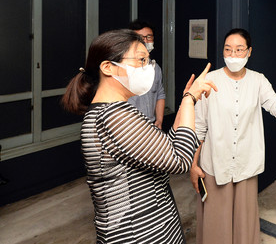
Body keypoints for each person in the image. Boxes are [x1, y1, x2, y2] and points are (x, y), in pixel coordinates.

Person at [61, 29, 216, 244]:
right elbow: (179, 160)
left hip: (151, 227)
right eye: (141, 60)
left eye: (148, 61)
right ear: (107, 67)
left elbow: (166, 149)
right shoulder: (113, 117)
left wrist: (184, 104)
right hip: (138, 233)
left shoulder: (114, 112)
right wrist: (190, 99)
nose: (147, 68)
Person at [191, 28, 276, 244]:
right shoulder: (209, 80)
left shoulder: (258, 80)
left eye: (239, 49)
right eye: (228, 49)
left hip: (246, 163)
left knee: (244, 221)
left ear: (249, 51)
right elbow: (199, 127)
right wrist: (193, 165)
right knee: (216, 222)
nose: (233, 55)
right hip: (215, 163)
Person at [127, 20, 166, 129]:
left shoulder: (155, 68)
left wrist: (159, 120)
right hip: (129, 127)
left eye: (149, 37)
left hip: (151, 126)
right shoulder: (122, 69)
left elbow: (160, 94)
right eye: (140, 37)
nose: (145, 40)